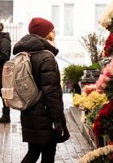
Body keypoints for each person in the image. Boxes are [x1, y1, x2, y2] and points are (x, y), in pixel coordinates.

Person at [13, 17, 70, 163]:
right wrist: (57, 118)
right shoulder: (47, 57)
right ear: (45, 34)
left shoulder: (25, 53)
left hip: (29, 110)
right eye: (52, 31)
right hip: (45, 115)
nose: (54, 33)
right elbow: (50, 92)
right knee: (47, 155)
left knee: (33, 152)